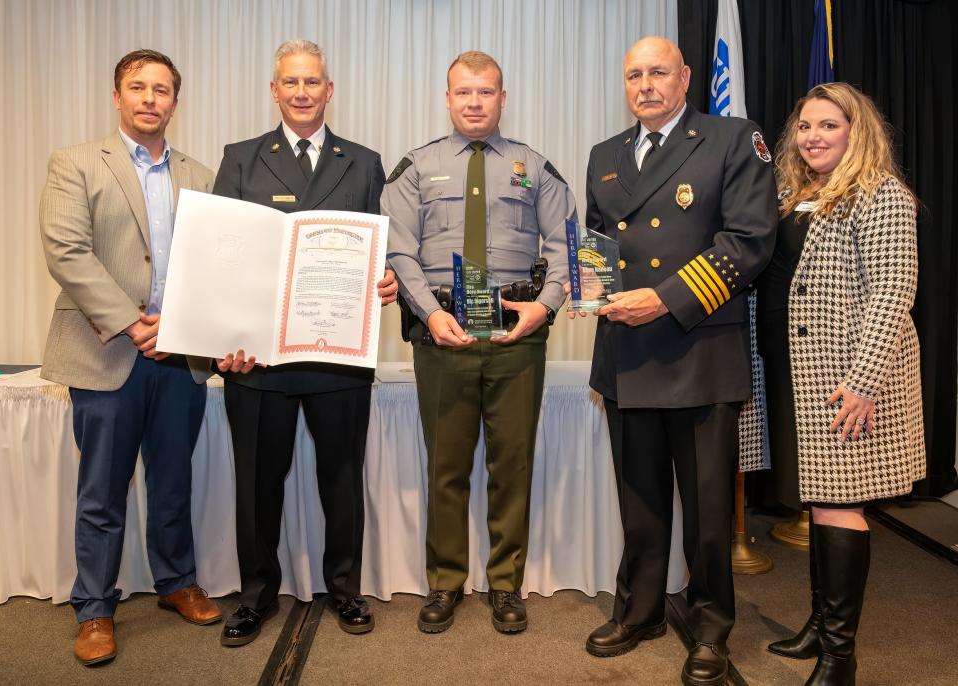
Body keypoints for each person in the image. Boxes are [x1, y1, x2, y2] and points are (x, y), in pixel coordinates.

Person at [573, 37, 777, 685]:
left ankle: (712, 624)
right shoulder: (605, 155)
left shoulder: (731, 139)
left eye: (658, 72)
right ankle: (640, 611)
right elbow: (599, 244)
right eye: (634, 75)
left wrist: (663, 300)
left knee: (710, 507)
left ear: (686, 77)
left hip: (697, 350)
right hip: (626, 354)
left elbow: (749, 243)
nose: (645, 85)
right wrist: (591, 292)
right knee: (640, 501)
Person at [382, 51, 576, 634]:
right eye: (463, 92)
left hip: (516, 335)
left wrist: (544, 309)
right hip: (443, 334)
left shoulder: (533, 167)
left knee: (510, 464)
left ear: (502, 97)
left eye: (485, 92)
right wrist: (426, 313)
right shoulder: (415, 168)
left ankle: (505, 585)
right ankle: (444, 582)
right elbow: (398, 250)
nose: (474, 102)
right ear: (447, 98)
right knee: (445, 465)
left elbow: (568, 244)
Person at [39, 49, 221, 665]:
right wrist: (130, 322)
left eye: (161, 89)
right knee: (102, 489)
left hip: (180, 355)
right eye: (137, 87)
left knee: (173, 480)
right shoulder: (76, 164)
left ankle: (175, 582)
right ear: (117, 96)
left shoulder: (200, 174)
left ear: (176, 100)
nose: (150, 98)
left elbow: (214, 264)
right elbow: (66, 250)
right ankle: (94, 607)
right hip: (106, 349)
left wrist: (187, 326)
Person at [212, 39, 396, 646]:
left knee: (342, 482)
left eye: (311, 82)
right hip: (258, 359)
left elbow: (379, 252)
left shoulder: (365, 163)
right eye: (290, 83)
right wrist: (225, 337)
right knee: (257, 486)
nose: (301, 93)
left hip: (337, 358)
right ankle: (255, 597)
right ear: (274, 90)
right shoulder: (239, 159)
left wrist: (386, 279)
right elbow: (223, 258)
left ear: (329, 89)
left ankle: (345, 591)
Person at [765, 82, 924, 686]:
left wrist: (863, 381)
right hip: (797, 374)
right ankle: (818, 625)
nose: (813, 137)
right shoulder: (792, 193)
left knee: (838, 504)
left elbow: (892, 294)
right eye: (805, 126)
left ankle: (840, 655)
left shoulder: (882, 196)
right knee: (820, 500)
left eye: (828, 125)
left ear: (857, 130)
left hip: (847, 380)